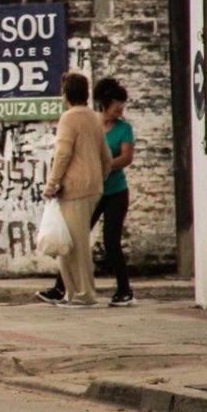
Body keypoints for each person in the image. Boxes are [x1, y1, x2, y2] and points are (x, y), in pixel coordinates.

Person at [38, 77, 136, 307]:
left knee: (75, 244)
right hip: (95, 188)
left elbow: (63, 154)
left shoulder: (69, 118)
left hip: (77, 188)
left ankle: (82, 295)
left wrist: (52, 185)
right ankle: (68, 291)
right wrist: (99, 175)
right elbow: (104, 153)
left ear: (66, 95)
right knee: (75, 240)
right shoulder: (93, 118)